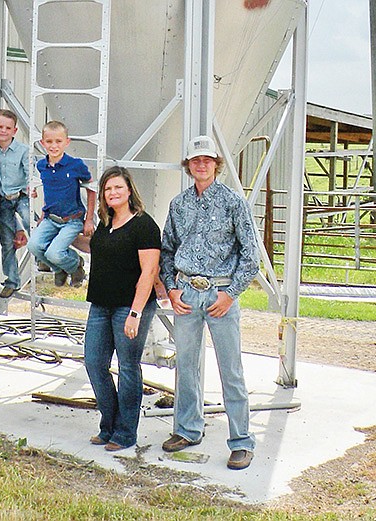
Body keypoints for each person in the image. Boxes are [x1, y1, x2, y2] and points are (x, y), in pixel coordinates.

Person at [160, 135, 260, 470]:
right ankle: (188, 429)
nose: (201, 164)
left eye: (207, 159)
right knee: (186, 366)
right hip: (187, 294)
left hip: (221, 295)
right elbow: (168, 250)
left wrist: (231, 294)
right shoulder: (178, 205)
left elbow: (250, 255)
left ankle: (242, 441)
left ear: (216, 164)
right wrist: (172, 289)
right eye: (195, 160)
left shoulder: (234, 202)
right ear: (188, 166)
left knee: (230, 369)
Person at [84, 166, 161, 451]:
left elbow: (149, 271)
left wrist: (135, 313)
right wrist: (63, 237)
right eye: (107, 189)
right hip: (100, 305)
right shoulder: (105, 223)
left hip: (129, 307)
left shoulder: (144, 225)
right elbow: (94, 248)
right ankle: (109, 423)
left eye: (118, 187)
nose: (112, 193)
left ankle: (125, 432)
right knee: (94, 363)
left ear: (129, 190)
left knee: (128, 367)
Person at [27, 120, 95, 287]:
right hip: (51, 218)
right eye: (49, 141)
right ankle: (60, 269)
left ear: (67, 142)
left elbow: (91, 188)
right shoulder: (42, 165)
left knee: (55, 253)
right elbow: (50, 191)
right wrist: (43, 214)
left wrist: (89, 219)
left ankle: (75, 264)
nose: (54, 146)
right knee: (34, 246)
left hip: (72, 219)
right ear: (42, 143)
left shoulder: (75, 165)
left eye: (58, 141)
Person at [0, 109, 30, 299]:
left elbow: (29, 171)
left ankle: (44, 258)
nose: (3, 131)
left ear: (14, 130)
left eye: (8, 128)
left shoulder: (22, 151)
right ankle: (12, 280)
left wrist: (31, 188)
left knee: (32, 224)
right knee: (7, 242)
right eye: (0, 127)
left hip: (21, 196)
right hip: (3, 200)